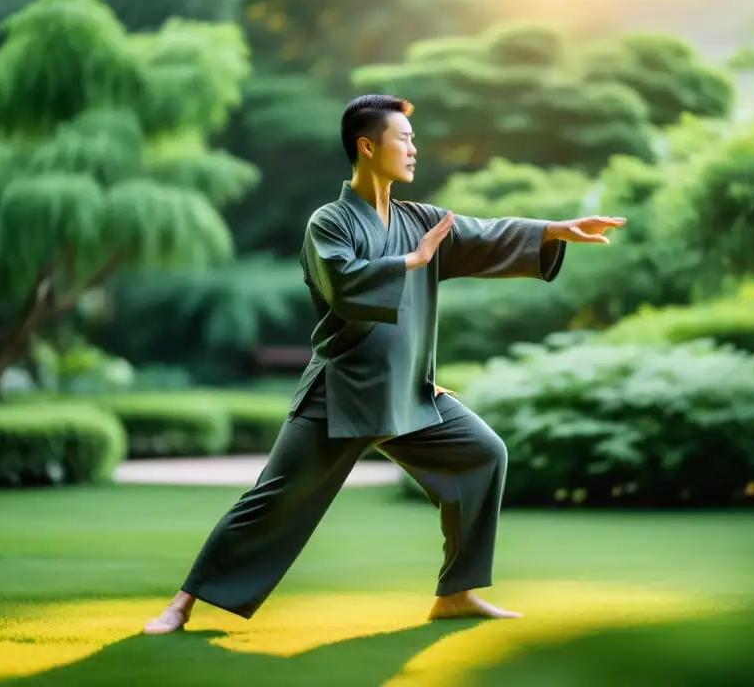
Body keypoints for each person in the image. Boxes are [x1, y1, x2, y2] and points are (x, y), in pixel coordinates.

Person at [143, 94, 626, 635]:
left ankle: (457, 594)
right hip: (340, 393)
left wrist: (553, 230)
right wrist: (412, 260)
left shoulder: (418, 218)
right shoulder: (328, 222)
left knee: (483, 454)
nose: (414, 149)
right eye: (404, 139)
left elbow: (482, 233)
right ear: (368, 146)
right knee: (273, 500)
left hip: (409, 394)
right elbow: (346, 285)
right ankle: (179, 606)